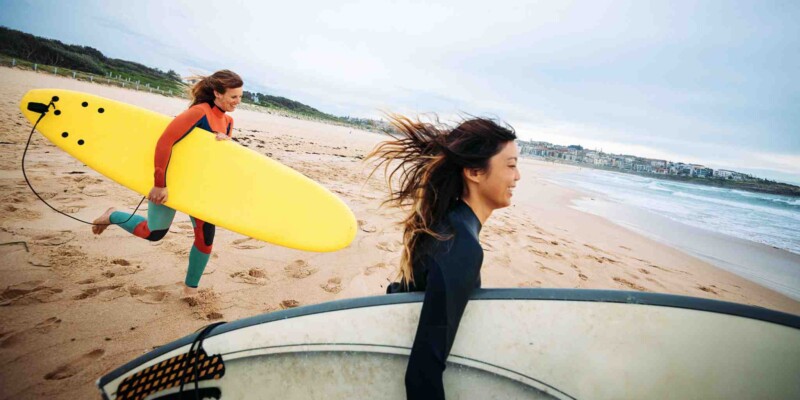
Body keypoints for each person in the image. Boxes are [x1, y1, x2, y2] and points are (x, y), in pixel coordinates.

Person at [368, 115, 520, 399]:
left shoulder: (448, 224)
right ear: (474, 172)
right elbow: (422, 373)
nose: (517, 176)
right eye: (511, 165)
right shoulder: (459, 245)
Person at [91, 70, 244, 297]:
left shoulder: (229, 122)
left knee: (205, 238)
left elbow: (216, 158)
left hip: (199, 188)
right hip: (170, 182)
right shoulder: (198, 113)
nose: (237, 102)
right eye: (233, 97)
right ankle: (113, 215)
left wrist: (228, 144)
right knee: (154, 233)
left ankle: (190, 289)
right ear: (217, 93)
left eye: (240, 97)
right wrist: (159, 183)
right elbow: (165, 142)